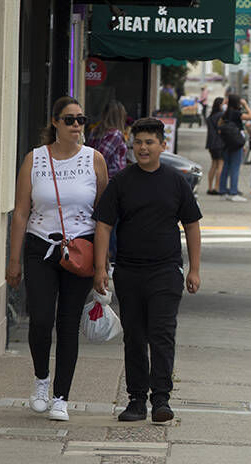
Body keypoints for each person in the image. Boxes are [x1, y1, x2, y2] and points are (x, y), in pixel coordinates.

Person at [6, 96, 108, 422]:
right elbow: (21, 213)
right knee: (40, 319)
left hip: (81, 249)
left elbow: (104, 217)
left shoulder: (95, 160)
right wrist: (13, 261)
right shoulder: (34, 160)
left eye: (81, 119)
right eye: (70, 120)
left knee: (67, 324)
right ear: (55, 123)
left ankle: (61, 396)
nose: (77, 125)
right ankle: (41, 381)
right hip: (41, 247)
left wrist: (103, 266)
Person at [93, 118, 201, 424]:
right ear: (132, 146)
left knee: (162, 335)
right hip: (128, 272)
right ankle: (136, 400)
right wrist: (100, 268)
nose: (143, 148)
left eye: (149, 142)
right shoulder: (122, 182)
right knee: (135, 337)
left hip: (166, 271)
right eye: (138, 142)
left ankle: (162, 400)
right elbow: (103, 224)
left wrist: (194, 269)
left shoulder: (175, 182)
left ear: (162, 146)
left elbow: (192, 225)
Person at [218, 94, 251, 198]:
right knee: (235, 167)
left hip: (226, 142)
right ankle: (233, 190)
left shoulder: (226, 113)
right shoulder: (237, 113)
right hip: (236, 142)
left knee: (226, 166)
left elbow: (219, 124)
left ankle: (222, 189)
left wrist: (225, 102)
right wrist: (245, 105)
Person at [89, 101, 128, 176]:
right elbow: (100, 157)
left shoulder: (95, 131)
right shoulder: (115, 134)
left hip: (98, 176)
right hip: (113, 177)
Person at [204, 96, 224, 195]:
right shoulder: (221, 115)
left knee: (213, 165)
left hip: (211, 143)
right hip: (220, 142)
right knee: (220, 165)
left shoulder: (210, 117)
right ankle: (217, 187)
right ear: (220, 105)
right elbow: (221, 128)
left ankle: (210, 187)